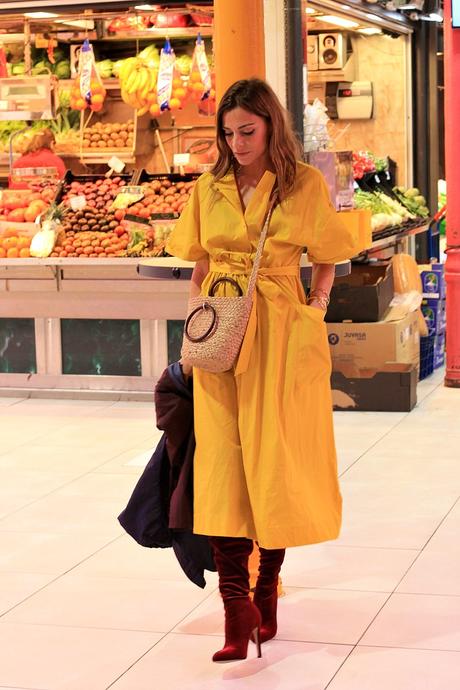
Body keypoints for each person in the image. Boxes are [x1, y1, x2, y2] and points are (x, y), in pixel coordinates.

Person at [165, 78, 365, 663]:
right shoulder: (209, 187)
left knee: (274, 462)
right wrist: (199, 321)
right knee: (223, 464)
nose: (237, 142)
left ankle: (266, 594)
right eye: (228, 133)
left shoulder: (303, 184)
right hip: (223, 333)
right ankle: (236, 609)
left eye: (246, 131)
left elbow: (328, 256)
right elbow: (198, 263)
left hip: (281, 330)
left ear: (271, 125)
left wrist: (315, 310)